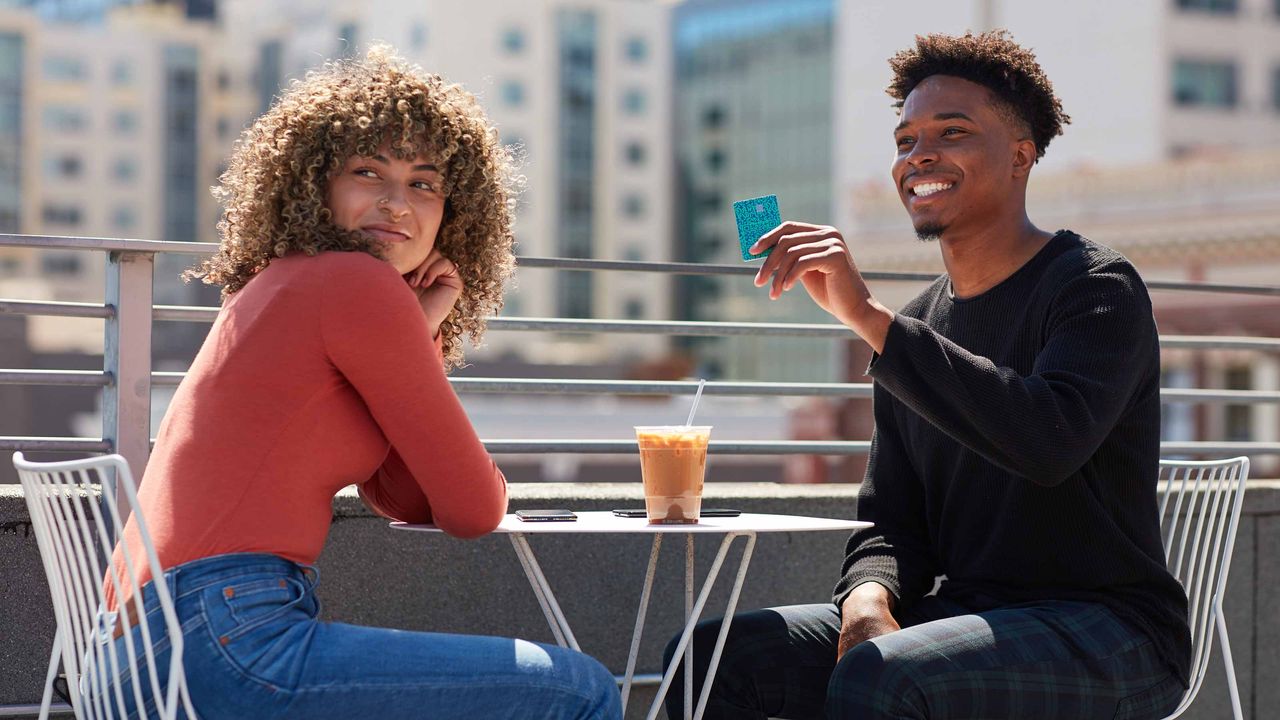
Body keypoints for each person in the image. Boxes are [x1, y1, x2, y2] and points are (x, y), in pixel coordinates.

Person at [664, 30, 1189, 720]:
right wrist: (865, 603)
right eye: (906, 140)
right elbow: (891, 523)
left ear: (1020, 156)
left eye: (952, 132)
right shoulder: (919, 326)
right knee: (710, 658)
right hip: (966, 617)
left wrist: (870, 320)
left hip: (1113, 630)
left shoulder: (1095, 287)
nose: (919, 156)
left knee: (886, 677)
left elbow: (1047, 442)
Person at [105, 45, 622, 720]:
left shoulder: (287, 281)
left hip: (142, 647)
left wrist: (419, 332)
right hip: (227, 637)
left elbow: (404, 497)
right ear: (314, 183)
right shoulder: (353, 282)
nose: (395, 203)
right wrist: (408, 324)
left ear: (452, 215)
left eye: (423, 184)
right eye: (368, 172)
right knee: (578, 691)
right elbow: (473, 509)